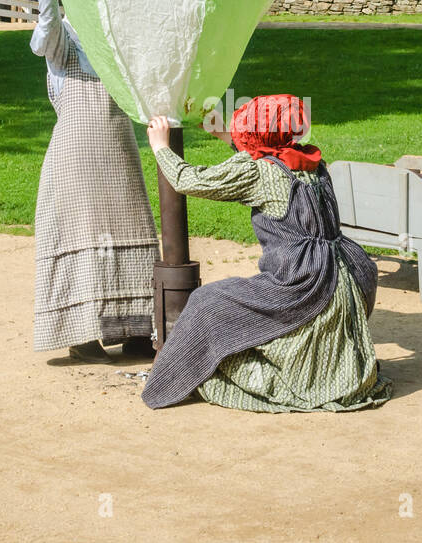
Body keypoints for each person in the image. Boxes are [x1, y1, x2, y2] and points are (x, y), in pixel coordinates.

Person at [141, 95, 392, 411]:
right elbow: (264, 151)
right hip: (350, 274)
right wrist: (214, 126)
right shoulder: (312, 163)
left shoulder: (258, 172)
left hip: (304, 282)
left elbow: (187, 180)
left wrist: (160, 145)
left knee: (207, 303)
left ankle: (170, 381)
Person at [30, 0, 157, 361]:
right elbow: (43, 33)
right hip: (75, 155)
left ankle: (137, 330)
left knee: (133, 229)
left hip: (118, 150)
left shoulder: (117, 41)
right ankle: (83, 334)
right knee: (82, 234)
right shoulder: (62, 37)